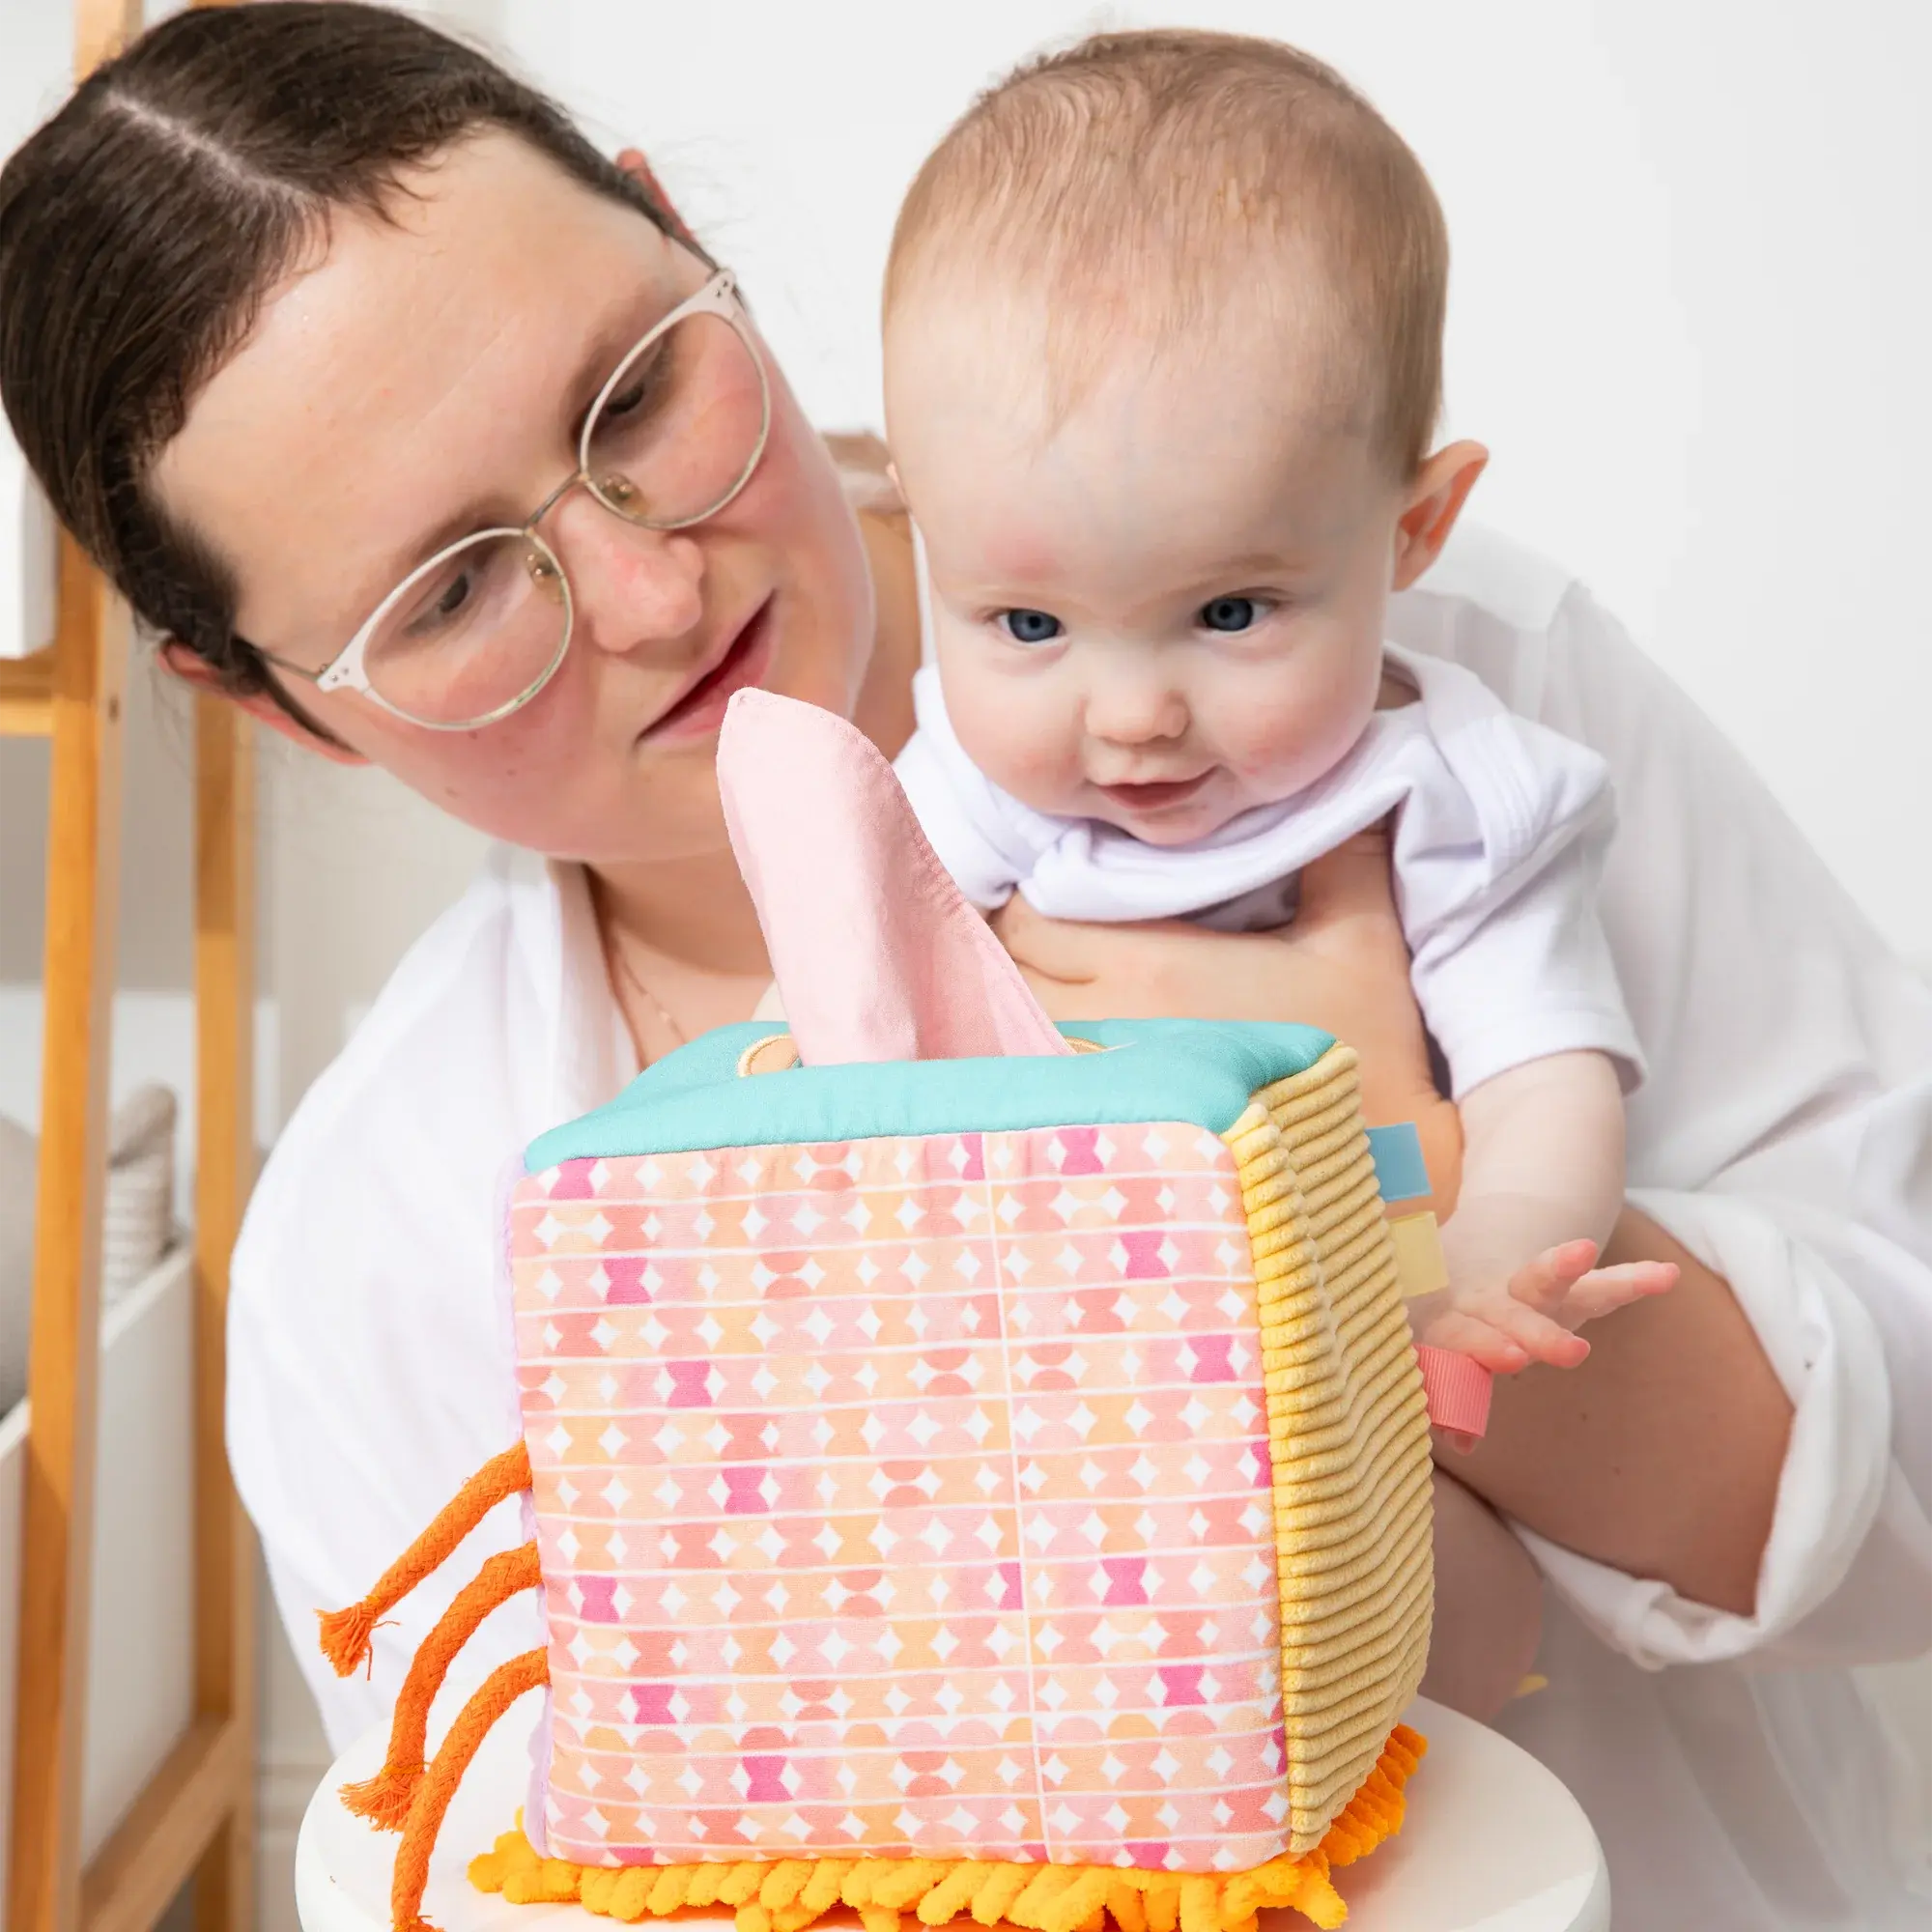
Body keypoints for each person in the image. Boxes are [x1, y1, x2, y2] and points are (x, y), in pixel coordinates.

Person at [0, 7, 1925, 1925]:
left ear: (681, 236)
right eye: (451, 590)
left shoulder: (1426, 680)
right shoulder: (388, 1241)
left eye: (635, 396)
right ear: (277, 711)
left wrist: (1379, 1201)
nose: (660, 592)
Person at [883, 31, 1676, 1390]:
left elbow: (1544, 1078)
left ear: (1412, 528)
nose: (1132, 717)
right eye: (1029, 625)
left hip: (1368, 1270)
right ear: (926, 542)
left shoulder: (1451, 799)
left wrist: (1497, 1254)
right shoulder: (967, 776)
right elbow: (842, 992)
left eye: (1231, 614)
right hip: (1058, 1318)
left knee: (1421, 1550)